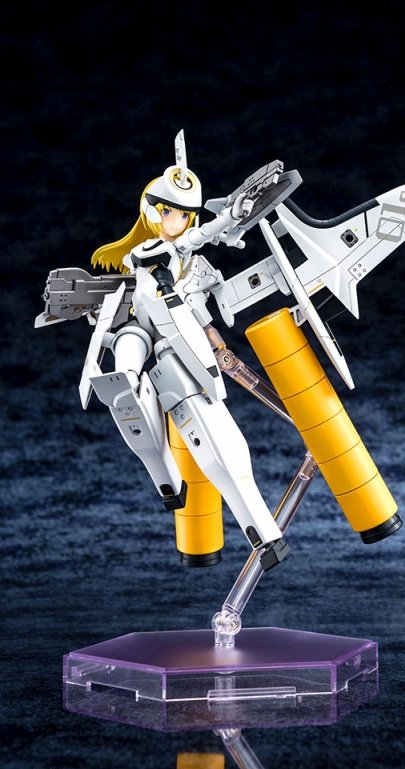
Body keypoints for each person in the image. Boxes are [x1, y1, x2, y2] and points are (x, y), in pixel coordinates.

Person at [86, 132, 288, 570]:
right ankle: (166, 480)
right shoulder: (144, 252)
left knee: (212, 433)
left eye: (184, 214)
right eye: (169, 211)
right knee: (124, 387)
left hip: (174, 343)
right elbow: (172, 253)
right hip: (140, 332)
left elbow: (195, 243)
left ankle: (260, 531)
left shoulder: (182, 254)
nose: (177, 220)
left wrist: (229, 217)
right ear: (152, 210)